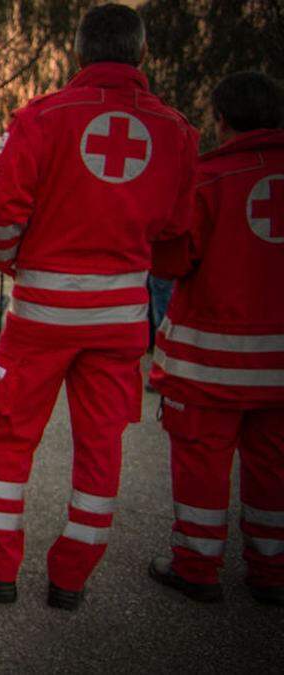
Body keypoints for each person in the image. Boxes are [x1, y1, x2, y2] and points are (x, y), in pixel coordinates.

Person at [0, 3, 199, 610]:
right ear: (140, 55)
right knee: (101, 446)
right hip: (120, 319)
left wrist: (14, 261)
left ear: (81, 54)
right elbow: (177, 232)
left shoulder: (43, 117)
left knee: (10, 437)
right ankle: (71, 577)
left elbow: (1, 207)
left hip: (41, 313)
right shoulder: (177, 132)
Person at [146, 71, 284, 606]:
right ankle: (271, 570)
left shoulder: (208, 179)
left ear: (221, 120)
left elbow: (174, 259)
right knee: (273, 464)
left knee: (202, 461)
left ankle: (197, 566)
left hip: (211, 358)